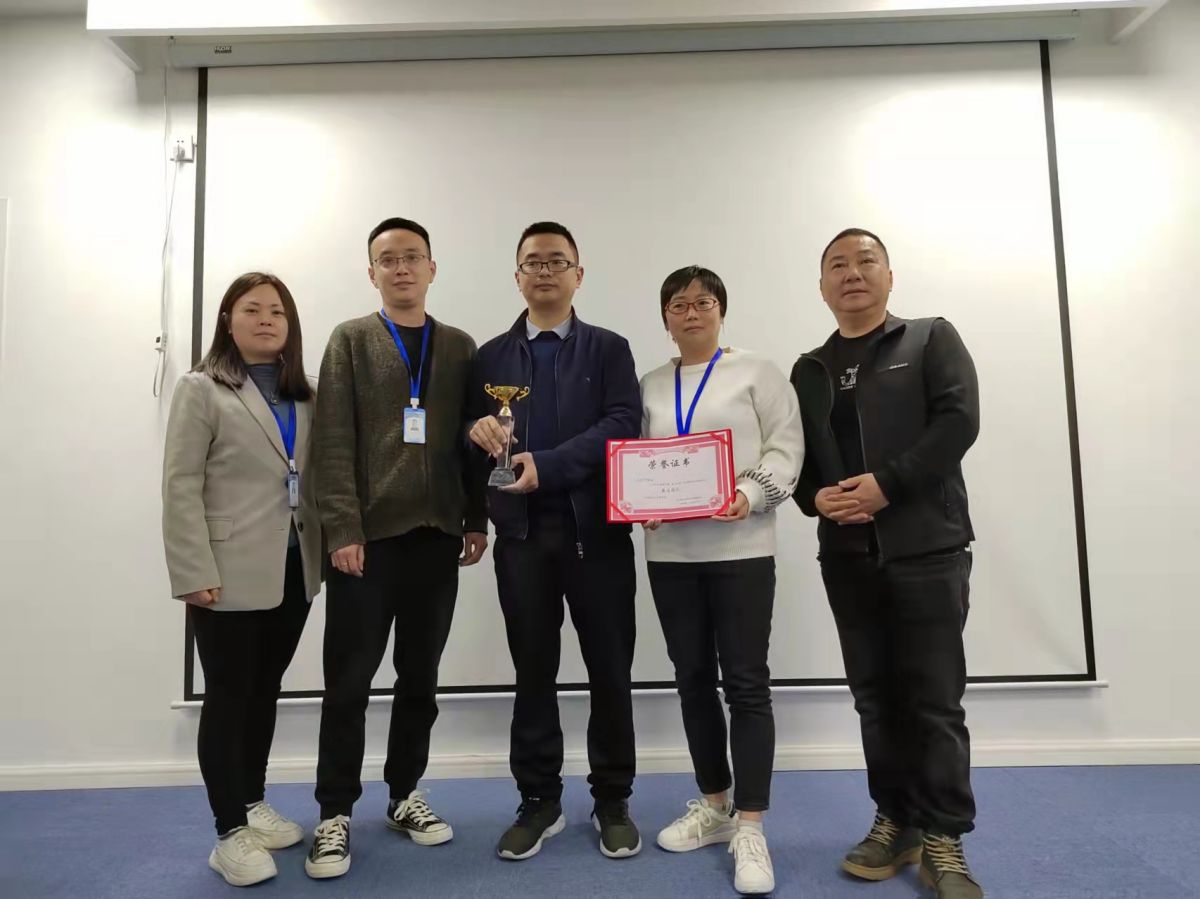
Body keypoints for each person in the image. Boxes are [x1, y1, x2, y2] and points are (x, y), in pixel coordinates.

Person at [790, 228, 982, 899]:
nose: (852, 273)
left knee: (934, 700)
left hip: (927, 548)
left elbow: (958, 423)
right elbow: (798, 459)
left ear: (889, 276)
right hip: (846, 557)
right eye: (837, 265)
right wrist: (812, 497)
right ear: (822, 287)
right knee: (874, 698)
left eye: (865, 261)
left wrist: (888, 485)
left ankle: (944, 834)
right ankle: (895, 819)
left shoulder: (930, 339)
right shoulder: (809, 369)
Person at [305, 217, 488, 880]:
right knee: (349, 682)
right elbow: (332, 440)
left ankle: (404, 793)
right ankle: (334, 811)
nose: (402, 268)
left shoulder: (460, 346)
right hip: (368, 544)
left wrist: (475, 518)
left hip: (437, 537)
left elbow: (473, 438)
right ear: (373, 272)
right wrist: (343, 529)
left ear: (432, 268)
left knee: (420, 679)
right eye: (389, 259)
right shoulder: (350, 340)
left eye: (413, 257)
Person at [467, 221, 642, 861]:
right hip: (521, 538)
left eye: (557, 261)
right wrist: (476, 433)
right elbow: (468, 434)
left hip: (597, 536)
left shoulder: (609, 349)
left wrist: (549, 465)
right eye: (533, 262)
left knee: (610, 672)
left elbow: (623, 423)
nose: (544, 271)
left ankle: (612, 799)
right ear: (517, 276)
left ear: (578, 275)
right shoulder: (489, 357)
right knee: (533, 673)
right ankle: (539, 800)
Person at [640, 266, 803, 896]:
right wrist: (640, 503)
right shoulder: (651, 384)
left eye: (703, 303)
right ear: (665, 318)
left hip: (741, 547)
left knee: (745, 682)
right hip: (671, 554)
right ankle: (714, 805)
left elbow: (786, 448)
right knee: (691, 680)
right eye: (678, 305)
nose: (691, 313)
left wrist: (747, 495)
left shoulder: (757, 372)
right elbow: (637, 460)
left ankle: (751, 824)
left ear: (721, 311)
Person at [162, 272, 322, 887]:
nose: (265, 320)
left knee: (264, 690)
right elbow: (180, 484)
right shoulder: (201, 388)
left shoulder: (305, 396)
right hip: (225, 571)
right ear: (228, 321)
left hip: (293, 568)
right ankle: (228, 832)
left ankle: (252, 801)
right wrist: (191, 571)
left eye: (277, 312)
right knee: (228, 697)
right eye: (251, 310)